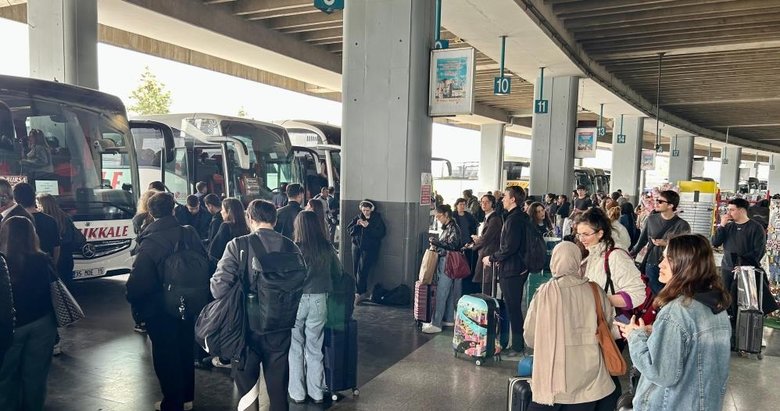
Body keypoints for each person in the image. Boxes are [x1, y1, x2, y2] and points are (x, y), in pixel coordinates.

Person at [617, 234, 731, 411]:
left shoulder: (677, 311)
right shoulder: (716, 306)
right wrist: (656, 332)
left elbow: (661, 373)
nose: (660, 264)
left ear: (686, 265)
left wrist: (635, 336)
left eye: (668, 259)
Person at [210, 199, 304, 411]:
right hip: (281, 326)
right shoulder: (292, 247)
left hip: (246, 328)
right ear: (275, 219)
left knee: (247, 388)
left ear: (250, 218)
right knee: (279, 388)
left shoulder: (238, 245)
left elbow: (218, 288)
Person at [126, 192, 206, 411]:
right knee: (185, 350)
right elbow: (205, 261)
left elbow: (139, 281)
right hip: (189, 301)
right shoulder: (189, 233)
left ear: (150, 212)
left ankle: (172, 403)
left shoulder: (151, 240)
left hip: (161, 307)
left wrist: (132, 299)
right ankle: (187, 398)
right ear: (173, 209)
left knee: (165, 354)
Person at [524, 241, 615, 410]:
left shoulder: (544, 293)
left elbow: (530, 337)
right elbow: (607, 325)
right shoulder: (595, 290)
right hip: (590, 376)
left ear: (554, 262)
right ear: (577, 261)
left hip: (554, 376)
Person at [576, 208, 646, 411]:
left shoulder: (615, 256)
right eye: (579, 234)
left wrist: (601, 299)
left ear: (600, 233)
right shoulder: (591, 255)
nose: (582, 239)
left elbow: (637, 294)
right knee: (604, 373)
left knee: (607, 372)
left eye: (586, 234)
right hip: (596, 324)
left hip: (612, 326)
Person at [0, 216, 57, 411]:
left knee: (6, 375)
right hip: (42, 322)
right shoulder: (42, 259)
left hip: (10, 326)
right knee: (36, 376)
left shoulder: (3, 261)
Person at [288, 211, 339, 404]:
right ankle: (316, 392)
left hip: (297, 300)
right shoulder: (326, 247)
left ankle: (297, 393)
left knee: (295, 347)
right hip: (320, 298)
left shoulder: (294, 247)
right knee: (315, 347)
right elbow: (339, 272)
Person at [711, 198, 776, 316]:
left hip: (747, 271)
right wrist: (722, 225)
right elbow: (715, 242)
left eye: (732, 210)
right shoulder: (728, 227)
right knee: (726, 299)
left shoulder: (756, 228)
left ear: (741, 210)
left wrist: (743, 265)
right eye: (728, 209)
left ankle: (740, 326)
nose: (728, 213)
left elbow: (758, 251)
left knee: (742, 301)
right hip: (727, 268)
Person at [483, 186, 528, 354]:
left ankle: (517, 346)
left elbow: (509, 247)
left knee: (513, 308)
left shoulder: (514, 219)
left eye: (505, 197)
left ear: (513, 199)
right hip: (516, 268)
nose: (502, 199)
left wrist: (492, 258)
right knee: (512, 306)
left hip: (512, 270)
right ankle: (514, 343)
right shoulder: (518, 217)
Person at [629, 190, 690, 295]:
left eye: (660, 201)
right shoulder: (651, 219)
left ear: (671, 205)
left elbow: (686, 248)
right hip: (651, 262)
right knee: (653, 294)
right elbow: (642, 240)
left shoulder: (682, 225)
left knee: (668, 294)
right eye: (656, 200)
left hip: (671, 265)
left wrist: (666, 244)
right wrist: (630, 254)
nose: (656, 203)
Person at [422, 205, 462, 334]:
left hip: (447, 262)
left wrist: (437, 243)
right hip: (449, 262)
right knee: (449, 293)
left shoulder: (452, 227)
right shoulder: (450, 227)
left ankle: (436, 323)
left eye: (439, 216)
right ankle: (449, 318)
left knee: (441, 292)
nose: (438, 219)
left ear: (446, 214)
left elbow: (453, 245)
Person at [347, 200, 386, 304]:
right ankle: (360, 291)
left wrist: (368, 226)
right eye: (364, 210)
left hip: (369, 248)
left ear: (371, 209)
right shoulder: (358, 217)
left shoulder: (376, 219)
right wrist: (357, 225)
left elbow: (380, 233)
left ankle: (359, 292)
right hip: (356, 246)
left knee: (362, 269)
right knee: (356, 269)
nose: (365, 213)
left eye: (367, 210)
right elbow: (349, 230)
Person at [36, 194, 80, 284]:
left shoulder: (44, 220)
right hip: (67, 257)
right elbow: (71, 237)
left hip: (51, 257)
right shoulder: (65, 217)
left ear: (42, 205)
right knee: (67, 287)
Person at [13, 183, 60, 265]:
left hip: (25, 271)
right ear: (34, 197)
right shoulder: (50, 220)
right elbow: (56, 247)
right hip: (46, 269)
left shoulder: (14, 221)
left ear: (16, 200)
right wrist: (53, 266)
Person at [469, 194, 502, 295]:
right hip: (485, 252)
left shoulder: (494, 219)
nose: (484, 204)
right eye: (482, 202)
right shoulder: (487, 217)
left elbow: (487, 238)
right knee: (484, 281)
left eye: (487, 202)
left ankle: (488, 307)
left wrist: (474, 246)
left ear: (492, 204)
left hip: (489, 253)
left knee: (487, 283)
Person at [208, 198, 250, 267]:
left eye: (222, 209)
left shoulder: (226, 226)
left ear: (228, 211)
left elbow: (214, 251)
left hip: (228, 266)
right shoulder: (247, 227)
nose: (221, 212)